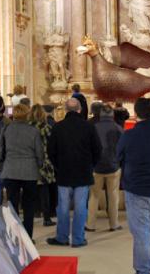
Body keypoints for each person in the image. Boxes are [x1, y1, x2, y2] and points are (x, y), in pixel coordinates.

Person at [117, 98, 150, 274]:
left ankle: (143, 269)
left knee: (141, 232)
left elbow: (117, 158)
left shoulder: (129, 135)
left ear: (135, 114)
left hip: (137, 188)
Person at [47, 98, 101, 248]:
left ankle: (62, 237)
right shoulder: (88, 127)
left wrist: (58, 166)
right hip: (83, 173)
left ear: (65, 110)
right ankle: (78, 239)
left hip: (64, 172)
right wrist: (91, 165)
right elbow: (97, 149)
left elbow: (50, 151)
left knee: (63, 207)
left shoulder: (58, 127)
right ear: (79, 110)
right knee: (80, 207)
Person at [0, 104, 43, 239]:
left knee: (12, 205)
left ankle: (15, 236)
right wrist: (39, 165)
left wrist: (1, 165)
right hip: (30, 171)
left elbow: (1, 150)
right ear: (27, 114)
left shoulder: (6, 129)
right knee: (29, 206)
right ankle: (28, 237)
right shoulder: (33, 131)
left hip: (11, 169)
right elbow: (39, 152)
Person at [86, 104, 123, 232]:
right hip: (113, 166)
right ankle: (114, 224)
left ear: (100, 115)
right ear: (112, 115)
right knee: (113, 196)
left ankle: (90, 224)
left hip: (96, 167)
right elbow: (121, 148)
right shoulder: (118, 128)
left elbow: (88, 148)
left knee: (94, 196)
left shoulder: (93, 128)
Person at [28, 104, 57, 227]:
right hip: (45, 161)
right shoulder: (46, 127)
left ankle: (34, 211)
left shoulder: (27, 128)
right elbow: (52, 144)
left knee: (31, 188)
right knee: (45, 189)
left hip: (30, 160)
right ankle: (47, 217)